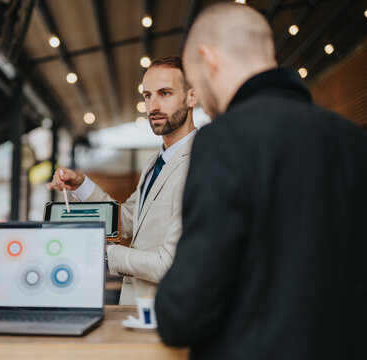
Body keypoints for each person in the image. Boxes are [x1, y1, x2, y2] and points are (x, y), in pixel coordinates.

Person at [155, 3, 367, 360]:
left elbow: (184, 312)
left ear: (208, 59)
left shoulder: (223, 140)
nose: (202, 102)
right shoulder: (354, 140)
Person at [47, 56, 198, 304]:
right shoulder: (155, 162)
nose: (153, 106)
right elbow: (128, 220)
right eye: (148, 95)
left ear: (192, 97)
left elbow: (172, 263)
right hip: (136, 311)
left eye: (165, 93)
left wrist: (106, 253)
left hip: (168, 312)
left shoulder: (200, 163)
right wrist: (83, 186)